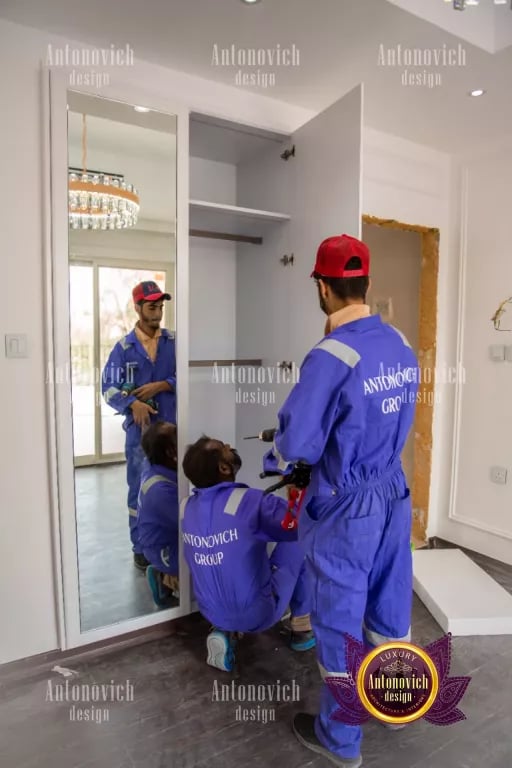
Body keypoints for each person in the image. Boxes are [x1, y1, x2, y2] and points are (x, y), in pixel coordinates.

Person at [264, 234, 419, 768]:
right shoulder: (397, 343)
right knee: (387, 601)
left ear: (323, 288)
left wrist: (285, 443)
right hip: (393, 494)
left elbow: (299, 442)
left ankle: (341, 739)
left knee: (338, 618)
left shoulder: (330, 355)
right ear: (367, 283)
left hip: (348, 508)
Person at [180, 436, 316, 673]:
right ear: (224, 468)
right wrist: (295, 487)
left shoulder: (186, 508)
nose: (231, 447)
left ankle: (223, 629)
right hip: (259, 615)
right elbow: (297, 524)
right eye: (225, 448)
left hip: (210, 612)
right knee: (301, 541)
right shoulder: (250, 501)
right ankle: (302, 627)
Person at [102, 281, 176, 571]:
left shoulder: (174, 342)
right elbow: (107, 388)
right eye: (151, 307)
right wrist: (131, 404)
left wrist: (163, 384)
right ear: (138, 308)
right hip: (139, 434)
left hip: (171, 430)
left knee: (172, 486)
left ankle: (170, 540)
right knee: (139, 489)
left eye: (160, 307)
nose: (157, 312)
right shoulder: (124, 349)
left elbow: (184, 376)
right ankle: (141, 547)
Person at [137, 421, 180, 607]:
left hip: (164, 540)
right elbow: (195, 524)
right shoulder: (160, 491)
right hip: (166, 551)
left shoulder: (154, 465)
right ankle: (165, 576)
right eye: (177, 434)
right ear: (171, 453)